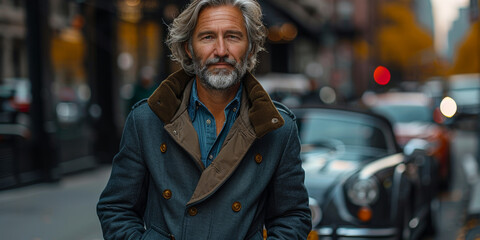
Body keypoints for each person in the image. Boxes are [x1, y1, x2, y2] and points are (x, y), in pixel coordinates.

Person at [96, 0, 311, 239]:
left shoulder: (278, 129)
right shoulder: (147, 120)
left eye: (232, 36)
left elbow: (292, 217)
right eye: (207, 37)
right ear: (189, 47)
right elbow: (116, 208)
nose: (220, 50)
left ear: (250, 47)